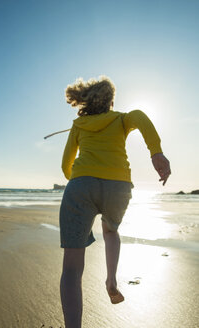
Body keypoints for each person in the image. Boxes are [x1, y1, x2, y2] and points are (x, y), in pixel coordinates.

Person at [59, 76, 171, 328]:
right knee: (110, 231)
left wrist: (75, 177)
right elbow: (140, 116)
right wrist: (156, 152)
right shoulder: (121, 118)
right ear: (110, 101)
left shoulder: (79, 125)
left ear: (88, 101)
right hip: (118, 186)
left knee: (72, 269)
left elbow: (66, 164)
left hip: (81, 186)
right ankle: (111, 280)